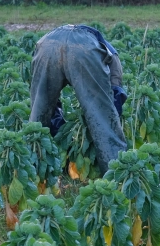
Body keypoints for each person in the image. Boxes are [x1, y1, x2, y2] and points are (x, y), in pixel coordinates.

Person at [29, 24, 128, 172]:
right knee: (102, 117)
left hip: (47, 45)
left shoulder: (100, 44)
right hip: (83, 50)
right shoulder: (113, 60)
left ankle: (33, 167)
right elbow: (113, 99)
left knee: (39, 113)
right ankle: (115, 171)